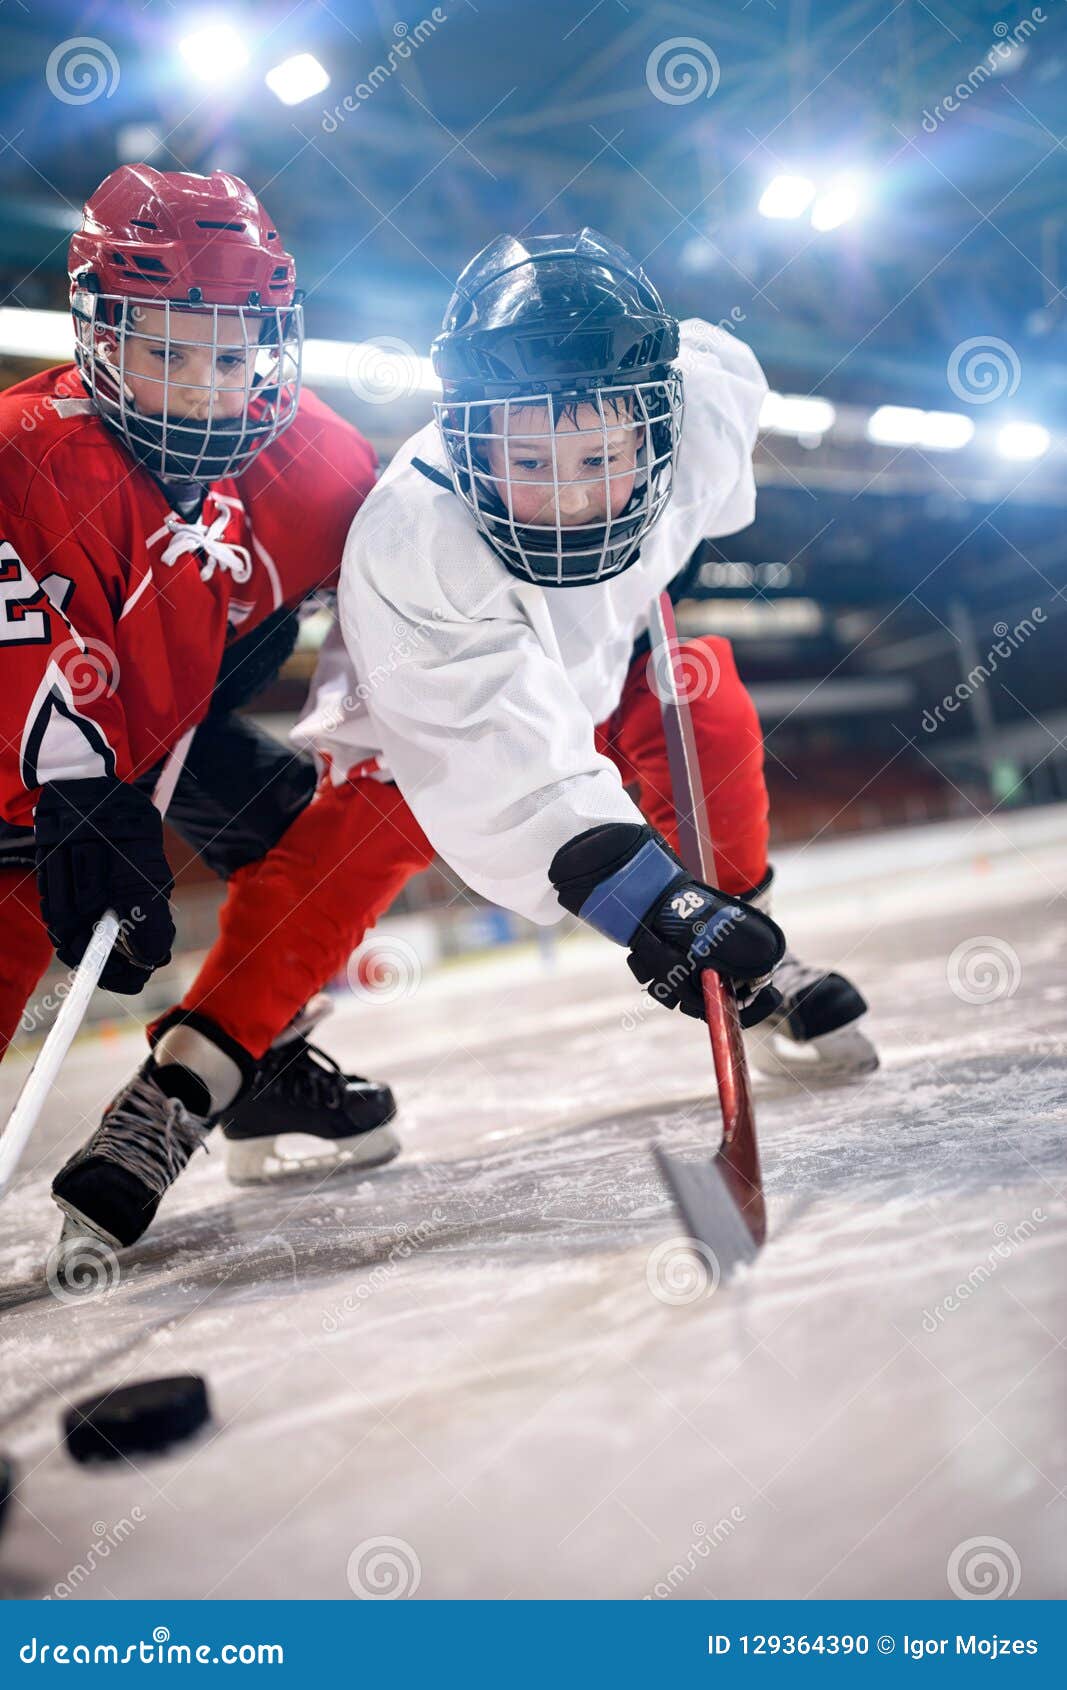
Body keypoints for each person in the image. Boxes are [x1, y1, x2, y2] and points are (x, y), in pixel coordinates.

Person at [289, 230, 878, 1076]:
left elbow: (716, 382)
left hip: (604, 673)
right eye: (530, 459)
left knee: (701, 695)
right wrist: (647, 903)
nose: (570, 493)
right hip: (428, 726)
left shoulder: (701, 406)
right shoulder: (412, 534)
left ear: (654, 433)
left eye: (600, 456)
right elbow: (487, 733)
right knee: (340, 855)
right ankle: (222, 1059)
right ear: (468, 442)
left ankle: (752, 951)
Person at [0, 164, 399, 1250]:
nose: (203, 386)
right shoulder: (26, 453)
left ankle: (242, 1064)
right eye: (164, 348)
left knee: (323, 834)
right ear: (95, 332)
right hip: (29, 774)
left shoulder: (322, 467)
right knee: (28, 911)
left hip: (166, 735)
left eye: (230, 353)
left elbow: (419, 608)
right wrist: (66, 790)